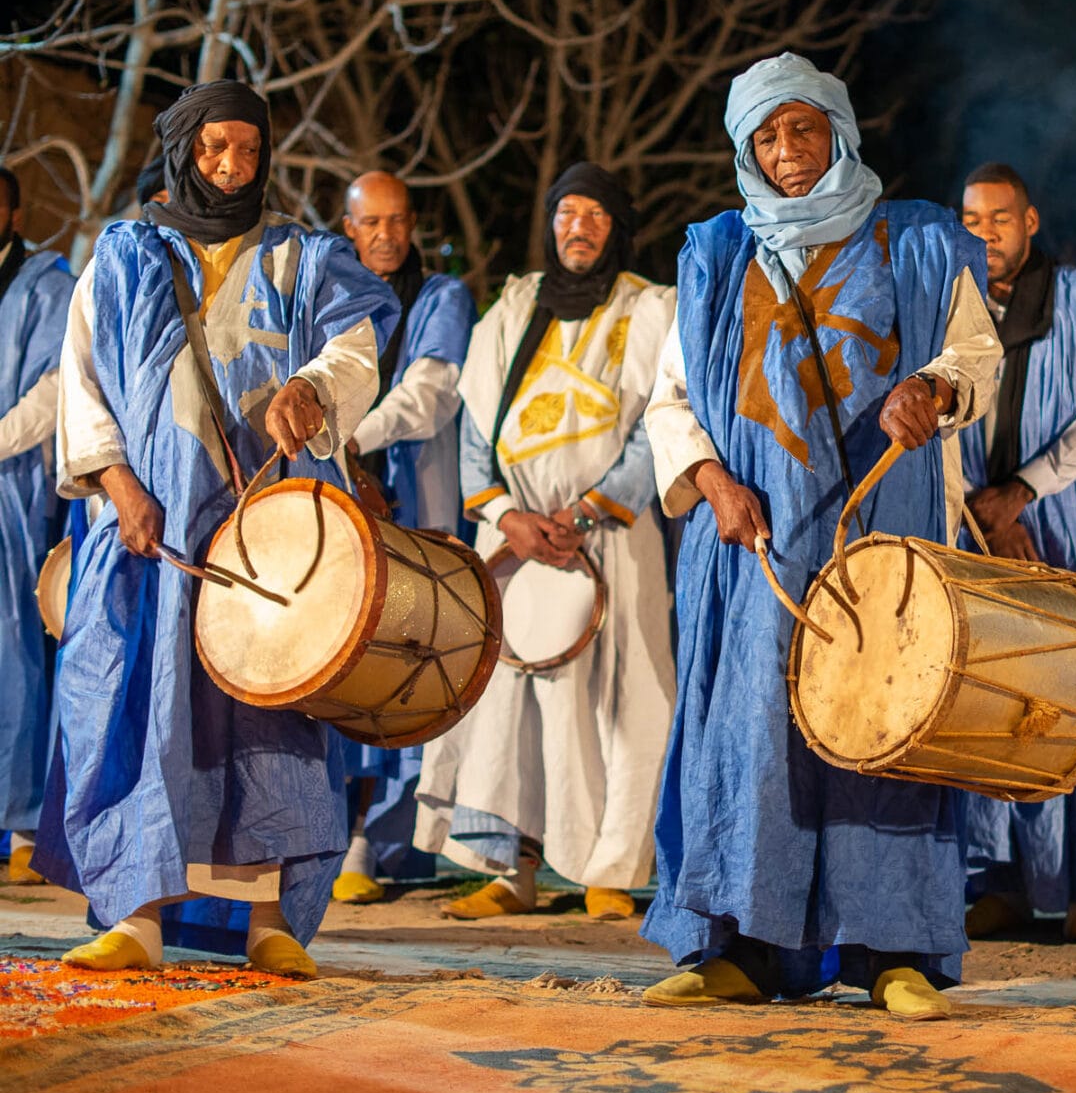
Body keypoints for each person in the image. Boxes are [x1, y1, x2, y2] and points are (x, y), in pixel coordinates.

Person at [641, 53, 999, 1020]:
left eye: (806, 130)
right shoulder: (717, 253)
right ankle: (743, 950)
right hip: (755, 538)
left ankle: (896, 953)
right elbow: (669, 398)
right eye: (769, 136)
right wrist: (707, 477)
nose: (790, 152)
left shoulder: (918, 238)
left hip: (883, 531)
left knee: (884, 723)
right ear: (746, 149)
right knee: (754, 731)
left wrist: (934, 389)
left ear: (839, 134)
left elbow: (975, 354)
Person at [35, 80, 394, 978]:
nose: (232, 166)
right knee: (141, 709)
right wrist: (119, 485)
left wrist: (311, 387)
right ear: (182, 151)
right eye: (212, 149)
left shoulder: (304, 256)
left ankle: (272, 921)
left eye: (246, 149)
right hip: (152, 536)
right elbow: (81, 381)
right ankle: (136, 919)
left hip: (269, 537)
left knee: (272, 715)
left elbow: (357, 347)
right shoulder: (122, 254)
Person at [413, 162, 676, 924]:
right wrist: (505, 517)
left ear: (616, 228)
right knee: (510, 709)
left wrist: (589, 511)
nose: (578, 227)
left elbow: (662, 419)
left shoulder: (651, 309)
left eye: (594, 215)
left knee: (619, 705)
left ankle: (610, 872)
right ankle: (511, 870)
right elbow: (476, 428)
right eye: (567, 213)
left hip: (611, 543)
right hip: (519, 542)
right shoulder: (515, 306)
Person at [955, 162, 1076, 948]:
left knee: (1074, 694)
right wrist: (981, 507)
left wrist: (1023, 494)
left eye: (999, 219)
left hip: (1056, 524)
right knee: (982, 699)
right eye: (971, 220)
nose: (986, 234)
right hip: (969, 526)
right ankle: (996, 883)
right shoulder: (944, 306)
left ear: (1030, 222)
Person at [330, 170, 476, 904]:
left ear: (413, 224)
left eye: (397, 221)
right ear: (347, 226)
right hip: (343, 512)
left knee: (405, 671)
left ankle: (379, 840)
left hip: (414, 514)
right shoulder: (328, 297)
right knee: (342, 665)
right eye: (370, 223)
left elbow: (430, 393)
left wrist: (351, 435)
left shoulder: (441, 297)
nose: (386, 236)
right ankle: (336, 833)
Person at [0, 166, 76, 885]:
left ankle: (24, 828)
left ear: (14, 213)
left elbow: (54, 388)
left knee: (15, 658)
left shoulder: (47, 284)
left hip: (12, 492)